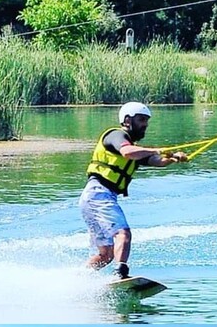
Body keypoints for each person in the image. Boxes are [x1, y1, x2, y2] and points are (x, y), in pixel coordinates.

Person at [80, 101, 190, 280]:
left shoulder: (135, 148)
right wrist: (155, 150)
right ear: (127, 120)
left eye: (147, 120)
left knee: (106, 254)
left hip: (92, 199)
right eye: (141, 120)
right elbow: (128, 152)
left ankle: (78, 280)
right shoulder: (116, 135)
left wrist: (174, 159)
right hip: (98, 193)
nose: (145, 124)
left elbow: (154, 161)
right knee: (123, 233)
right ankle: (120, 274)